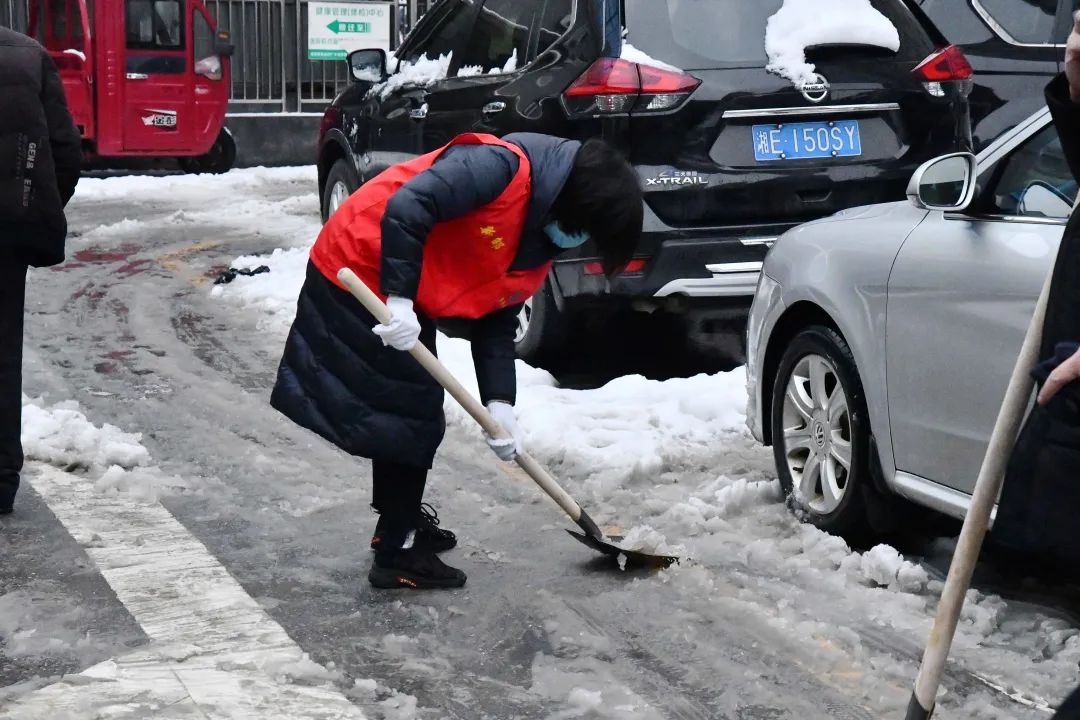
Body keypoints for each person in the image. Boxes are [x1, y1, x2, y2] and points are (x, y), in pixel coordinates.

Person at [271, 132, 642, 590]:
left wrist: (501, 405)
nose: (580, 241)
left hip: (407, 285)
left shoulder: (542, 236)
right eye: (588, 229)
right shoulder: (498, 168)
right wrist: (401, 299)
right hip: (360, 266)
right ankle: (397, 551)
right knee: (411, 414)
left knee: (406, 411)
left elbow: (497, 319)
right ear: (579, 200)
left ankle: (399, 524)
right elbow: (409, 208)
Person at [0, 28, 82, 516]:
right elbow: (65, 151)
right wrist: (29, 207)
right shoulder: (27, 55)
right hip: (5, 234)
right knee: (3, 354)